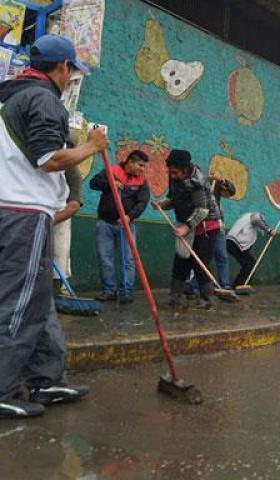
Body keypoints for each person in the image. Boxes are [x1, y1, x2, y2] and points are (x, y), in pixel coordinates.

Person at [0, 35, 109, 418]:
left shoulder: (10, 95)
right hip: (23, 211)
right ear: (63, 67)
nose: (71, 78)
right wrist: (93, 146)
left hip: (16, 210)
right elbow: (49, 158)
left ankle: (47, 378)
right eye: (72, 72)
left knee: (37, 299)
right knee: (18, 302)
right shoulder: (44, 99)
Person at [153, 149, 221, 309]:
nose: (172, 176)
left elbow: (202, 210)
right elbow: (175, 200)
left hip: (207, 225)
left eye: (175, 172)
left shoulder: (197, 182)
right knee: (181, 261)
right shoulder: (175, 178)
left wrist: (187, 226)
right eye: (170, 172)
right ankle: (174, 298)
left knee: (200, 263)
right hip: (187, 223)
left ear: (185, 170)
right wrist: (162, 204)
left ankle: (207, 299)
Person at [90, 150, 151, 304]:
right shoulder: (112, 171)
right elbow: (93, 183)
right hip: (105, 223)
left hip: (127, 225)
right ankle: (109, 291)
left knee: (128, 260)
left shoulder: (142, 182)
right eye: (140, 165)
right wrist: (110, 183)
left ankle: (126, 292)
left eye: (144, 167)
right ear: (130, 162)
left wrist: (129, 217)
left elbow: (142, 203)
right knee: (105, 258)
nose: (142, 170)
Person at [51, 166, 82, 297]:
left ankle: (56, 291)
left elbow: (74, 205)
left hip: (61, 214)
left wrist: (47, 222)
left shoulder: (72, 170)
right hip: (31, 214)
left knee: (60, 253)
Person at [226, 212, 277, 288]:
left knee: (247, 263)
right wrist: (269, 230)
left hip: (231, 242)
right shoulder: (256, 216)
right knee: (250, 263)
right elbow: (256, 219)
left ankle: (239, 284)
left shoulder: (246, 218)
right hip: (236, 242)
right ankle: (241, 284)